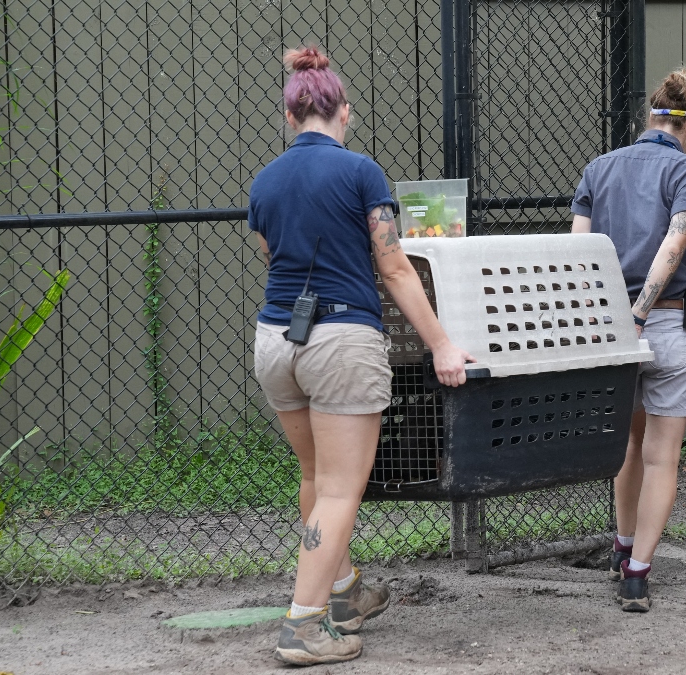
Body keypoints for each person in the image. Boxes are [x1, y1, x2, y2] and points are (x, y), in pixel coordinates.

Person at [249, 46, 473, 665]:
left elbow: (274, 256)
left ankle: (344, 594)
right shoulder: (360, 172)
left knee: (316, 478)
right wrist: (441, 345)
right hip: (342, 343)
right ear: (343, 112)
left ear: (290, 115)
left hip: (276, 342)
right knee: (345, 489)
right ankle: (302, 626)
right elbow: (395, 267)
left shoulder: (264, 181)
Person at [570, 67, 686, 612]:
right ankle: (637, 573)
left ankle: (621, 545)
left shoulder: (599, 169)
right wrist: (641, 312)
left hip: (610, 327)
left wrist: (608, 318)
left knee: (629, 444)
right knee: (662, 457)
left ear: (647, 117)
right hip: (670, 323)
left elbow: (578, 253)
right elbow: (674, 248)